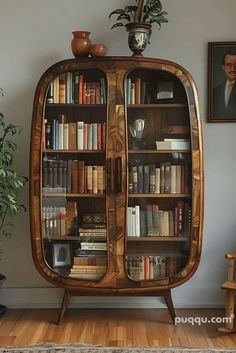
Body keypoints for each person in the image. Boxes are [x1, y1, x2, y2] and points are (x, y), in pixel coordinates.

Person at [213, 51, 236, 118]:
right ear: (223, 67)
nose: (233, 69)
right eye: (229, 65)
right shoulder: (216, 91)